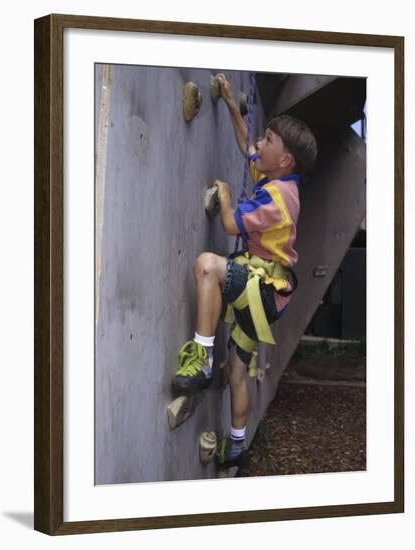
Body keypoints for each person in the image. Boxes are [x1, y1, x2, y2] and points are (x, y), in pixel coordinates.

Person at [172, 74, 318, 468]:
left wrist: (222, 193)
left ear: (285, 159)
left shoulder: (277, 198)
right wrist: (233, 107)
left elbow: (231, 225)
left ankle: (201, 359)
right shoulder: (279, 179)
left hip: (262, 288)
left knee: (207, 266)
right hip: (270, 294)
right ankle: (236, 445)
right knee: (238, 371)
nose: (260, 143)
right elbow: (245, 147)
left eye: (269, 140)